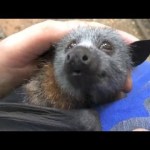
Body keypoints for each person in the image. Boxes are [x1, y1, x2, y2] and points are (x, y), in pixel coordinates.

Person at [0, 20, 148, 131]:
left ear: (131, 60)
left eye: (106, 47)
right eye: (71, 46)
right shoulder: (43, 92)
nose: (78, 53)